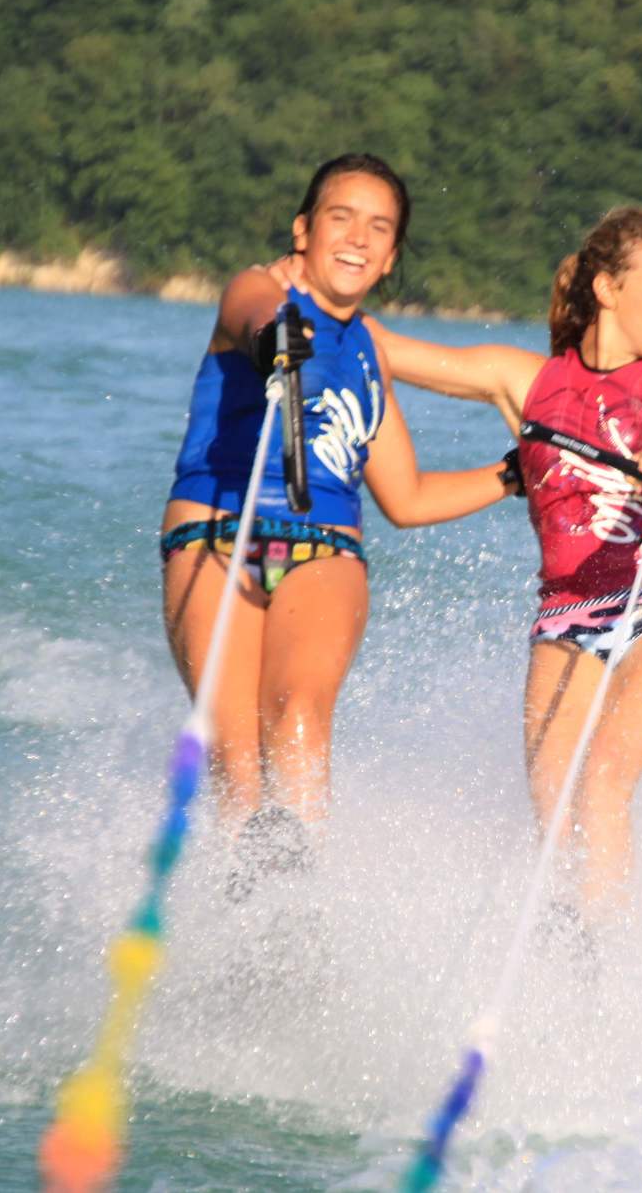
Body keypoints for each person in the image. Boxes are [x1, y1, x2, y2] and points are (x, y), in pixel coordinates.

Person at [285, 205, 642, 919]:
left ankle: (595, 949)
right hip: (568, 619)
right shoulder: (526, 381)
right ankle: (561, 951)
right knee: (556, 817)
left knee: (604, 774)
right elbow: (384, 348)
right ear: (608, 288)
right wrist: (300, 295)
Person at [161, 153, 516, 896]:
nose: (357, 237)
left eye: (378, 228)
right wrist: (276, 341)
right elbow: (252, 313)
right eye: (341, 217)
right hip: (215, 534)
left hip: (324, 546)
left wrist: (512, 476)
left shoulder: (369, 352)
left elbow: (408, 498)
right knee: (236, 757)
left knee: (296, 714)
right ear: (304, 229)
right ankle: (243, 910)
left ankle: (298, 899)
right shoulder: (260, 290)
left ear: (390, 256)